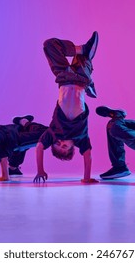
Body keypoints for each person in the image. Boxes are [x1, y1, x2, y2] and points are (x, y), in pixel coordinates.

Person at [33, 32, 99, 183]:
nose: (61, 142)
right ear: (72, 147)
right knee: (87, 59)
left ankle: (81, 49)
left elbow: (39, 148)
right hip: (82, 79)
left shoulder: (53, 132)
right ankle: (90, 81)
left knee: (49, 44)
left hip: (64, 77)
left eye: (57, 144)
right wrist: (87, 178)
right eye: (65, 147)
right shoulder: (81, 137)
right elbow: (87, 156)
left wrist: (40, 170)